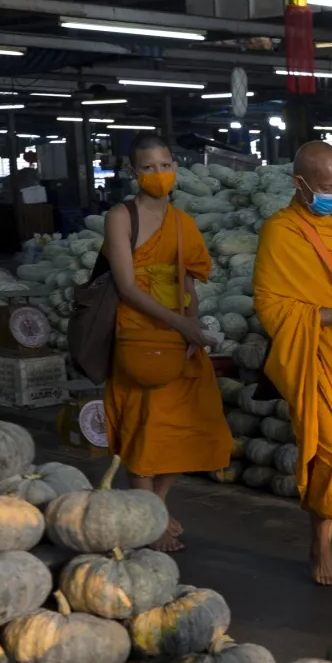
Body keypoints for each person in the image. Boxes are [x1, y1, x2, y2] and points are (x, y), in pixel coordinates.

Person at [253, 140, 332, 587]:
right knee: (330, 447)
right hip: (308, 352)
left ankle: (328, 542)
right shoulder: (279, 230)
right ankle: (319, 549)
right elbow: (270, 305)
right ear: (300, 184)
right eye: (326, 186)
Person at [100, 132, 232, 552]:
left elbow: (188, 279)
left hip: (180, 331)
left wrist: (192, 325)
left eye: (165, 165)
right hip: (138, 332)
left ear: (176, 165)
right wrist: (181, 324)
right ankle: (150, 520)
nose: (159, 174)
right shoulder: (121, 217)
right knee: (143, 425)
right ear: (132, 172)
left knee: (191, 422)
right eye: (148, 167)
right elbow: (126, 287)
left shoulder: (182, 222)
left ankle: (154, 509)